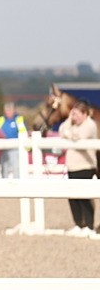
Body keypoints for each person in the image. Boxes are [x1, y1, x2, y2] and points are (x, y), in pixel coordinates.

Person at [58, 101, 97, 235]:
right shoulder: (73, 125)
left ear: (85, 114)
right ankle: (78, 224)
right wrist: (69, 120)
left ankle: (89, 225)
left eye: (76, 114)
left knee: (84, 196)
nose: (74, 117)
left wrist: (68, 133)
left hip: (86, 165)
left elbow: (78, 137)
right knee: (73, 197)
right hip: (73, 166)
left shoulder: (90, 125)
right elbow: (62, 131)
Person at [0, 102, 26, 179]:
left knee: (15, 168)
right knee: (4, 168)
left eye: (10, 110)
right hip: (4, 148)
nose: (8, 112)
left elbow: (23, 132)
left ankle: (16, 186)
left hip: (15, 148)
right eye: (7, 110)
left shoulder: (18, 119)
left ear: (14, 110)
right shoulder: (1, 119)